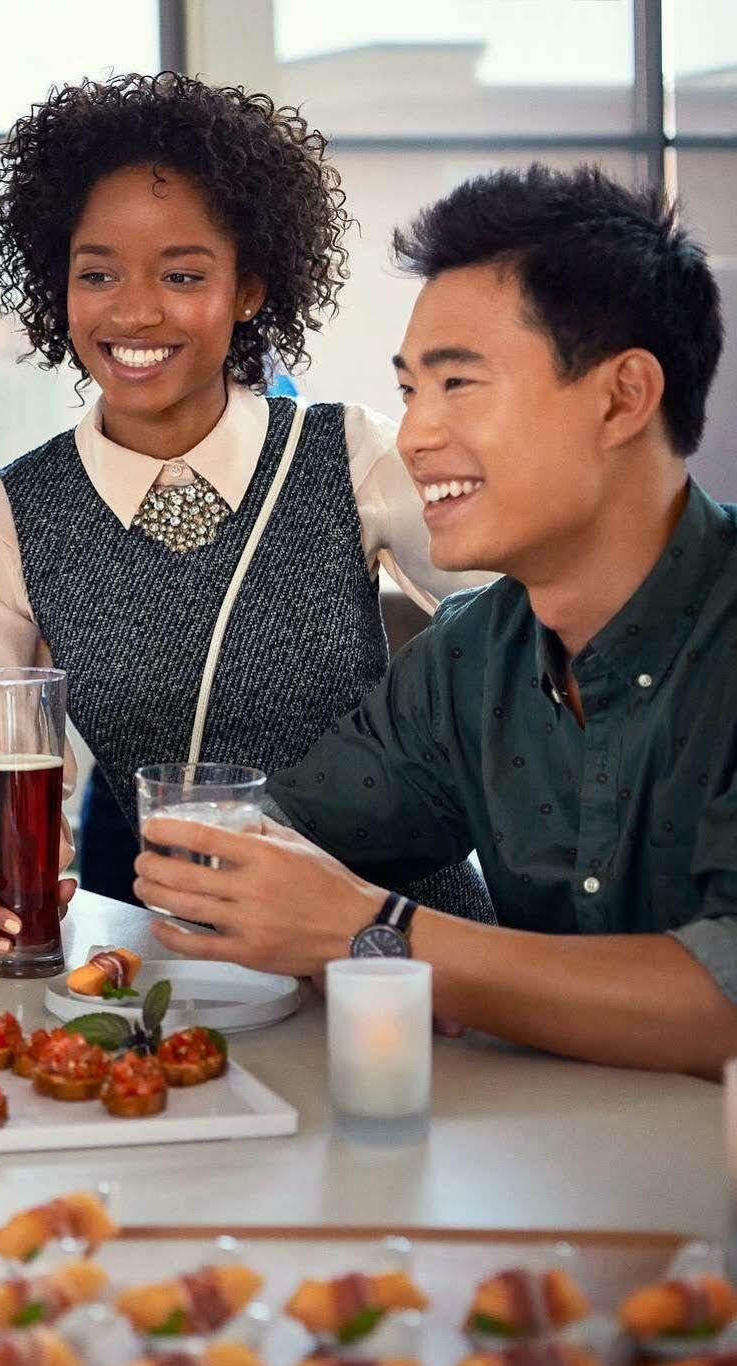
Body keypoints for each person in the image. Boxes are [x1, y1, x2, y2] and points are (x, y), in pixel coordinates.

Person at [133, 164, 737, 1080]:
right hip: (552, 1184)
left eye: (457, 383)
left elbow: (722, 1004)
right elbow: (277, 855)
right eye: (411, 391)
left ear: (623, 397)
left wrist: (380, 934)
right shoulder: (468, 656)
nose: (412, 436)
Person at [0, 73, 494, 973]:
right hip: (193, 964)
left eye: (182, 274)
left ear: (248, 290)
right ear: (58, 288)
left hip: (400, 953)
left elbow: (514, 618)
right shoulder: (4, 521)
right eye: (98, 273)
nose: (135, 310)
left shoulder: (349, 456)